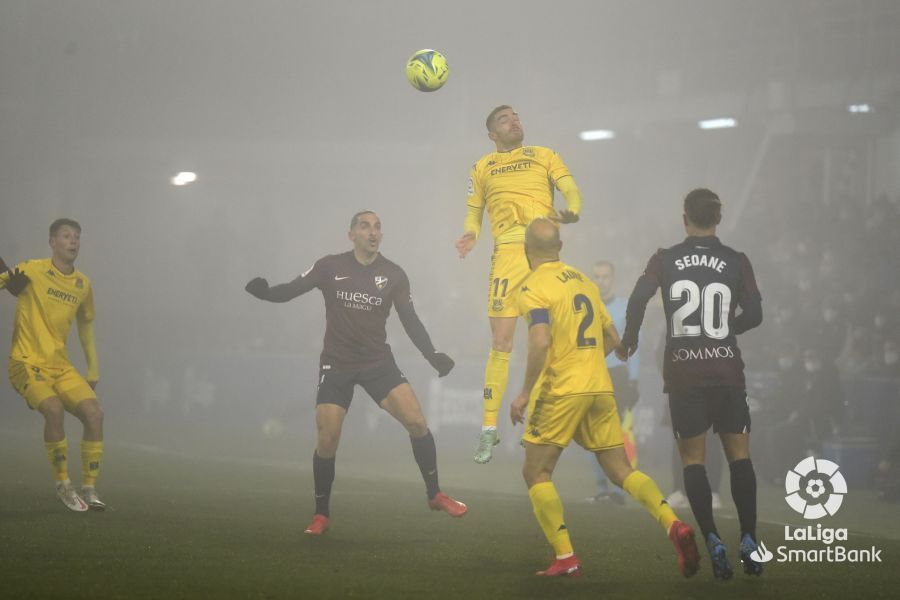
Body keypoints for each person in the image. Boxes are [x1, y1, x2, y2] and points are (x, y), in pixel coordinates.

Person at [245, 210, 466, 535]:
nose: (373, 232)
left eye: (377, 227)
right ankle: (321, 514)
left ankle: (435, 494)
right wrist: (266, 293)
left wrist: (432, 355)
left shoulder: (394, 275)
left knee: (417, 422)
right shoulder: (330, 266)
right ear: (351, 235)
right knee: (328, 438)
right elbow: (292, 289)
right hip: (337, 364)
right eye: (365, 226)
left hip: (378, 362)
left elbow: (411, 320)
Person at [509, 218, 699, 578]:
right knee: (622, 470)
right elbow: (614, 340)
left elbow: (539, 340)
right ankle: (673, 523)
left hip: (562, 388)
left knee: (536, 471)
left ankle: (565, 557)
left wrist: (523, 393)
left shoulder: (532, 286)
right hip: (598, 384)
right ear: (561, 248)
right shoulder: (583, 281)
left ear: (525, 250)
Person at [616, 188, 764, 579]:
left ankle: (713, 538)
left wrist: (629, 340)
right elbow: (756, 313)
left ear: (685, 219)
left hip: (683, 374)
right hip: (727, 372)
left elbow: (636, 300)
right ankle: (749, 538)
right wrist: (726, 329)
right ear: (718, 219)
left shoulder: (664, 259)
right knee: (740, 457)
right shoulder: (736, 260)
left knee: (692, 461)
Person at [455, 105, 583, 464]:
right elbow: (473, 210)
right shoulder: (482, 166)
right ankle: (488, 429)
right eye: (504, 119)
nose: (514, 121)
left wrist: (572, 209)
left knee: (544, 340)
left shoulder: (544, 155)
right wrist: (470, 233)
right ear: (492, 133)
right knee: (502, 342)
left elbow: (571, 189)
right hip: (508, 255)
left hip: (542, 253)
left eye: (516, 116)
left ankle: (536, 425)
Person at [1, 219, 105, 512]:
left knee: (95, 415)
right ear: (52, 242)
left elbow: (86, 326)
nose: (73, 241)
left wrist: (93, 369)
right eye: (66, 236)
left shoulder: (83, 284)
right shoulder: (32, 270)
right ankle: (63, 485)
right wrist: (6, 279)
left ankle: (90, 489)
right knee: (54, 410)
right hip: (26, 362)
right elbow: (4, 281)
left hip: (60, 366)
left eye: (77, 237)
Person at [586, 261, 639, 505]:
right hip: (590, 374)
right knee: (592, 435)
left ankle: (618, 491)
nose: (601, 280)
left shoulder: (625, 308)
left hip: (616, 376)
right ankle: (601, 489)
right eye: (597, 276)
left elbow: (633, 345)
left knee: (615, 436)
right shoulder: (585, 306)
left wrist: (634, 378)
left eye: (605, 276)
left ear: (612, 279)